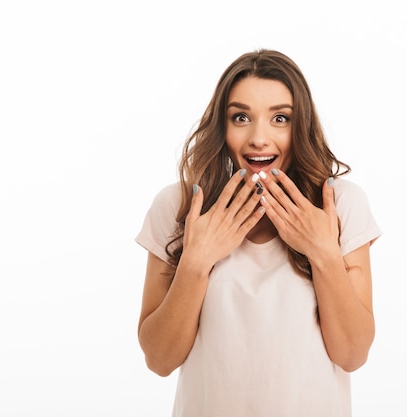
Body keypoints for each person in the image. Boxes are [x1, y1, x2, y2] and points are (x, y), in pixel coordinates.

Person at [135, 49, 381, 417]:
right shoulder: (181, 206)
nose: (258, 138)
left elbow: (352, 354)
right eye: (241, 117)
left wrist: (323, 252)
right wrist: (197, 261)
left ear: (301, 128)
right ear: (223, 126)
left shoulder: (340, 204)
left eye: (280, 118)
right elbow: (159, 359)